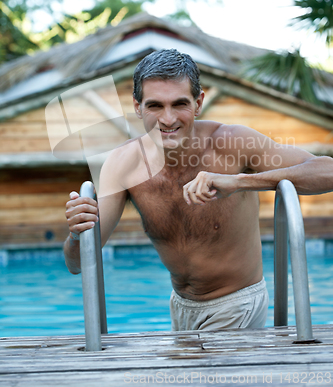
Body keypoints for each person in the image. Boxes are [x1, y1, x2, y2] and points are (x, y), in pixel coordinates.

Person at [64, 49, 333, 331]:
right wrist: (75, 234)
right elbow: (77, 264)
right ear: (137, 106)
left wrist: (239, 181)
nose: (167, 120)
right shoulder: (123, 164)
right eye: (155, 106)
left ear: (198, 102)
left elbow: (326, 171)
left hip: (237, 303)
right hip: (181, 306)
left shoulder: (231, 143)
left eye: (179, 104)